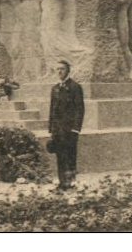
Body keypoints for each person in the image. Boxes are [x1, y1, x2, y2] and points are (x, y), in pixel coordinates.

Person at [48, 59, 84, 190]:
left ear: (68, 71)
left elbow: (80, 109)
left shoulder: (74, 87)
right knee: (60, 155)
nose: (59, 72)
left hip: (70, 129)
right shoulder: (55, 89)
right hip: (58, 129)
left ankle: (71, 182)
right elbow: (52, 110)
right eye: (57, 69)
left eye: (62, 69)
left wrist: (76, 129)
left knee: (70, 155)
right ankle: (62, 182)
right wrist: (51, 129)